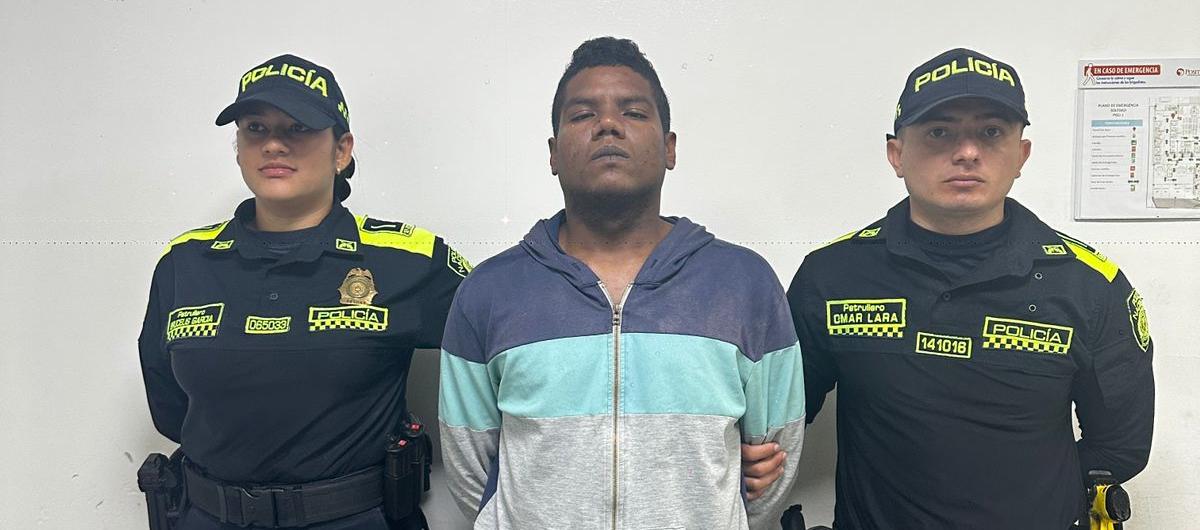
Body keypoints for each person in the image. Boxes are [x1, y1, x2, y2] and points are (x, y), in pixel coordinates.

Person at [437, 37, 806, 529]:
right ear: (553, 154)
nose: (608, 124)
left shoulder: (744, 284)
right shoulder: (489, 292)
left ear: (669, 148)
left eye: (633, 113)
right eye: (582, 114)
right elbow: (473, 474)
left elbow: (774, 457)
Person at [786, 48, 1155, 528]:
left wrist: (1026, 498)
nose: (966, 152)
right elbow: (779, 423)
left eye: (991, 132)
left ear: (1021, 155)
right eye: (939, 132)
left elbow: (1120, 446)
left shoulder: (1089, 284)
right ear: (897, 154)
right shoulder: (832, 276)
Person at [138, 54, 468, 529]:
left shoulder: (410, 260)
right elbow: (169, 407)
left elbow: (504, 351)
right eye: (255, 128)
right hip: (209, 516)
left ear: (342, 150)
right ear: (238, 148)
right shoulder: (184, 262)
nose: (274, 144)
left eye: (298, 128)